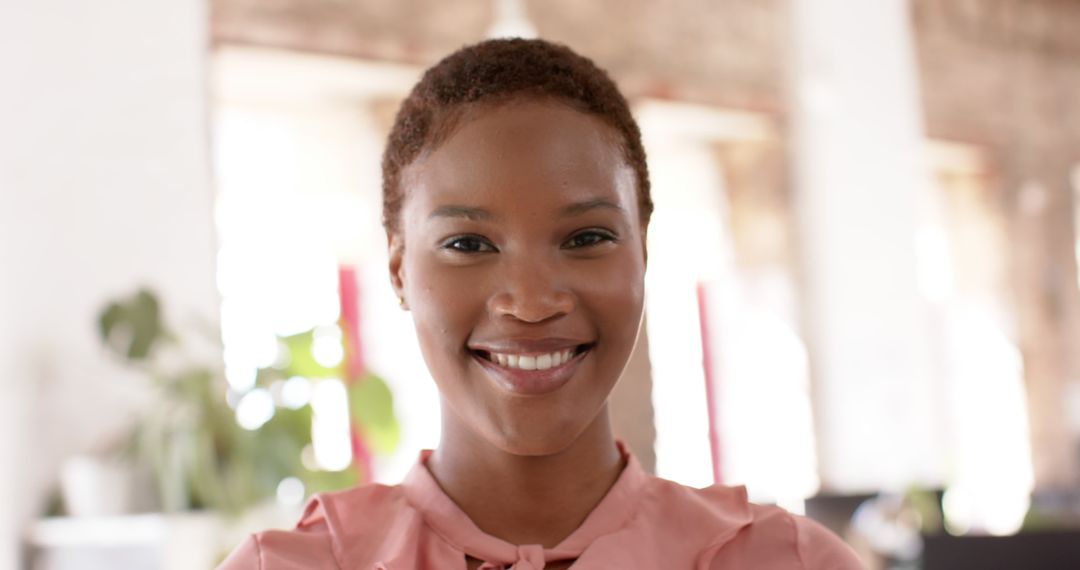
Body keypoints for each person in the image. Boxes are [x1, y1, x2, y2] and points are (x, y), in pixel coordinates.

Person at [218, 38, 864, 570]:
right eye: (468, 243)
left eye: (587, 238)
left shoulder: (788, 561)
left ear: (642, 254)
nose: (530, 303)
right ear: (398, 271)